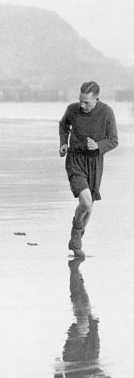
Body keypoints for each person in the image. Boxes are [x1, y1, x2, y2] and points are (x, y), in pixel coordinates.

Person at [59, 81, 118, 258]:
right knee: (85, 202)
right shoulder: (72, 109)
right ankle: (76, 234)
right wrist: (63, 143)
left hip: (95, 162)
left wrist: (98, 145)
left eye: (87, 102)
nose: (82, 105)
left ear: (97, 99)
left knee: (89, 207)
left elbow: (113, 140)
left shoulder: (107, 112)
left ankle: (76, 238)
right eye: (81, 101)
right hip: (75, 159)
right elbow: (63, 125)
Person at [53, 259, 111, 378]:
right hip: (92, 356)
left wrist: (58, 368)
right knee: (87, 315)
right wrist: (94, 376)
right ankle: (75, 276)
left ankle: (75, 275)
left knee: (84, 320)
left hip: (72, 357)